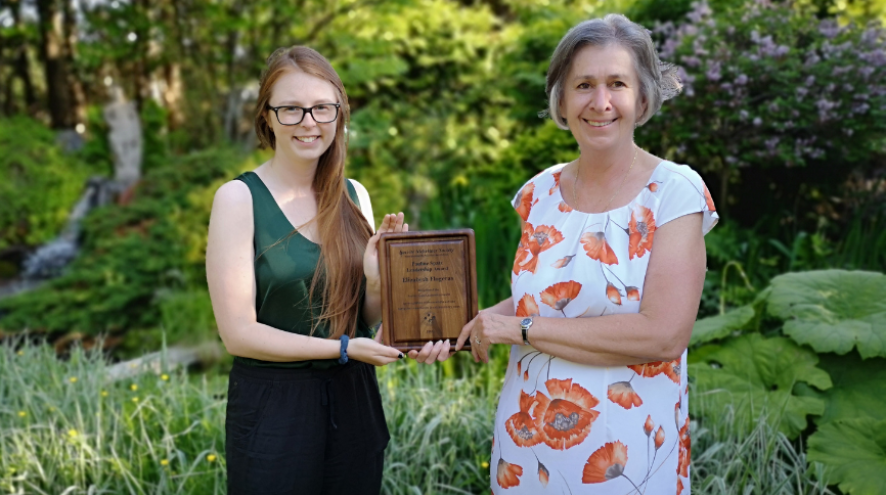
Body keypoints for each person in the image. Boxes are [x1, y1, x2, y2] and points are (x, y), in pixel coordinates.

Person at [456, 14, 717, 495]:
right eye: (583, 85)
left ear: (642, 98)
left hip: (625, 462)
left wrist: (518, 329)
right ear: (561, 98)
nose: (600, 103)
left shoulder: (674, 192)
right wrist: (461, 324)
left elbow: (663, 334)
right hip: (526, 452)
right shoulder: (537, 194)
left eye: (617, 83)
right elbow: (542, 303)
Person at [206, 46, 447, 495]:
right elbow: (237, 333)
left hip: (354, 401)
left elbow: (366, 320)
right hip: (273, 409)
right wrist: (342, 349)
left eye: (321, 108)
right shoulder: (238, 199)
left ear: (339, 115)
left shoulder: (356, 195)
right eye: (291, 109)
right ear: (268, 117)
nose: (309, 122)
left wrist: (376, 281)